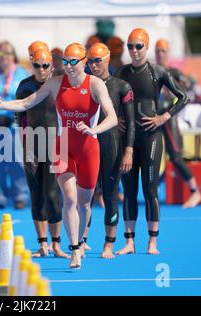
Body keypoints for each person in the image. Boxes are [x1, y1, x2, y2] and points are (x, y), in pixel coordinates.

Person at [0, 43, 117, 269]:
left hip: (89, 149)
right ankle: (73, 250)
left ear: (84, 61)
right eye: (66, 62)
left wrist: (95, 130)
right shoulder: (54, 84)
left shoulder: (96, 85)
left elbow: (112, 117)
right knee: (69, 199)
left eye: (74, 62)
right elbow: (25, 103)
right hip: (62, 148)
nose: (70, 66)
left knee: (84, 204)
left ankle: (81, 241)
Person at [114, 28, 189, 255]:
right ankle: (129, 242)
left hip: (150, 137)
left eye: (139, 46)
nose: (134, 51)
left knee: (150, 190)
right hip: (128, 138)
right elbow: (108, 98)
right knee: (128, 190)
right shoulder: (121, 73)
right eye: (130, 46)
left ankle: (152, 241)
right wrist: (116, 117)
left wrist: (164, 117)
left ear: (146, 47)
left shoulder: (158, 72)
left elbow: (183, 96)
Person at [82, 43, 135, 259]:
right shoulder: (83, 84)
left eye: (98, 60)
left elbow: (131, 123)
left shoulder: (122, 86)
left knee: (111, 195)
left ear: (108, 59)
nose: (94, 65)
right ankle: (81, 240)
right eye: (90, 61)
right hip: (88, 146)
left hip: (111, 145)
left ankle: (109, 244)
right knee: (85, 196)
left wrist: (128, 151)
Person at [16, 46, 69, 259]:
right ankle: (42, 244)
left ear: (51, 65)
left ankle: (56, 244)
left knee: (52, 194)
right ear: (32, 65)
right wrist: (26, 150)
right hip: (33, 145)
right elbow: (20, 121)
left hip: (56, 144)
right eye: (37, 65)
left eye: (45, 65)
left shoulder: (59, 82)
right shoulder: (25, 86)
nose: (41, 69)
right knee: (36, 195)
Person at [0, 41, 30, 210]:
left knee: (17, 162)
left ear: (14, 56)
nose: (5, 58)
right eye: (1, 54)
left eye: (8, 54)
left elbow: (27, 99)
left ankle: (20, 195)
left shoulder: (22, 74)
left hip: (14, 125)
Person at [155, 38, 201, 208]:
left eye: (163, 51)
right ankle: (153, 189)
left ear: (168, 53)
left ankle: (195, 191)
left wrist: (178, 86)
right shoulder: (152, 70)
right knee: (150, 155)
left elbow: (188, 89)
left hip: (168, 118)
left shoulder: (173, 72)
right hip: (154, 118)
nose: (160, 54)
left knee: (175, 156)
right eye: (158, 51)